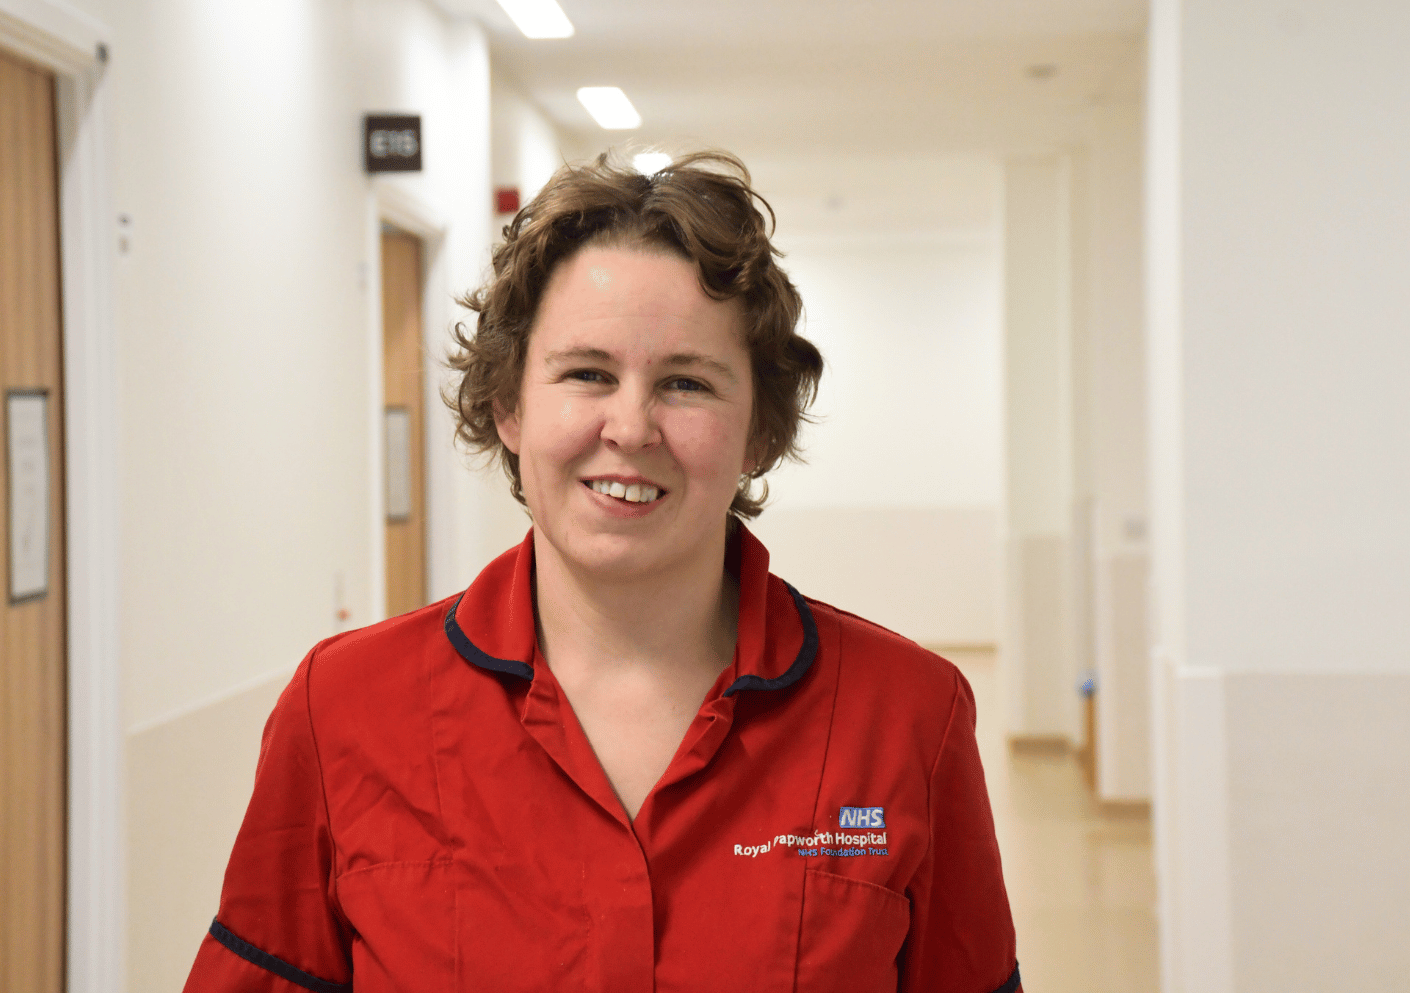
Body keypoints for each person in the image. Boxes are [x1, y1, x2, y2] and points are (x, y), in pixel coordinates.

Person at [182, 151, 1020, 993]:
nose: (631, 427)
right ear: (508, 405)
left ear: (760, 433)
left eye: (686, 383)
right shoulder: (345, 711)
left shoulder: (907, 718)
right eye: (588, 373)